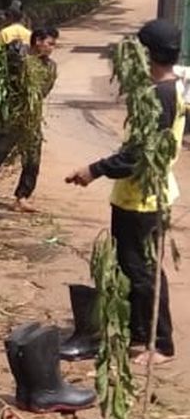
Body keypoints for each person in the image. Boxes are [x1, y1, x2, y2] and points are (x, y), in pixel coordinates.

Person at [65, 19, 186, 366]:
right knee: (134, 268)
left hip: (144, 198)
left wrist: (93, 170)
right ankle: (139, 333)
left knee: (142, 270)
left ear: (145, 53)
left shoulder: (161, 95)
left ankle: (158, 343)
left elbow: (137, 157)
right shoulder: (163, 88)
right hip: (137, 194)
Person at [0, 26, 60, 212]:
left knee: (32, 158)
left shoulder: (50, 67)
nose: (52, 48)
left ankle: (22, 197)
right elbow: (3, 76)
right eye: (49, 44)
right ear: (37, 41)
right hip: (10, 116)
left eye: (54, 45)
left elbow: (43, 91)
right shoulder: (17, 58)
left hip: (31, 117)